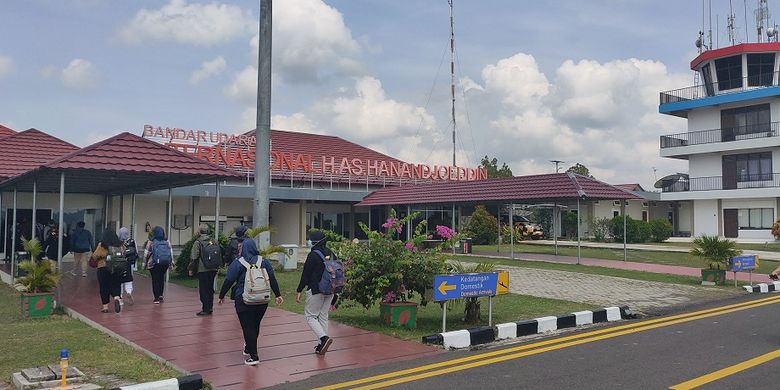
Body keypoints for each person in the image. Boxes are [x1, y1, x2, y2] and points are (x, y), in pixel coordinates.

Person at [218, 239, 283, 366]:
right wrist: (278, 294)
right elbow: (272, 278)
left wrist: (221, 295)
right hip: (262, 299)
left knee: (247, 327)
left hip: (243, 299)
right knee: (255, 324)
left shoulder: (238, 262)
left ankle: (254, 356)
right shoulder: (263, 261)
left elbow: (229, 280)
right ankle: (249, 347)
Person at [296, 230, 338, 356]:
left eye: (310, 239)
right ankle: (321, 344)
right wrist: (336, 295)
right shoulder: (331, 253)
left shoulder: (313, 255)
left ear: (315, 241)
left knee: (311, 316)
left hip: (316, 290)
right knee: (323, 315)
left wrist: (299, 290)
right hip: (330, 289)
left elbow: (306, 275)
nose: (308, 241)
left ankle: (324, 338)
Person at [189, 224, 219, 316]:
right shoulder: (213, 241)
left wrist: (191, 269)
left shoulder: (198, 242)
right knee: (210, 288)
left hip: (203, 269)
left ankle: (205, 309)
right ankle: (210, 307)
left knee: (204, 289)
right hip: (213, 268)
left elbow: (194, 257)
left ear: (200, 232)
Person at [93, 233, 122, 313]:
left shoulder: (102, 245)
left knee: (104, 287)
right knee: (116, 284)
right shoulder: (119, 245)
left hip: (103, 268)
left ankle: (105, 307)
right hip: (116, 268)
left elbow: (95, 256)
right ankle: (116, 297)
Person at [144, 226, 173, 304]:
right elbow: (170, 252)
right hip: (164, 263)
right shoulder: (167, 241)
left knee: (155, 279)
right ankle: (160, 295)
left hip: (153, 263)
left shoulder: (151, 242)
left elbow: (146, 254)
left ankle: (156, 298)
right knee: (161, 278)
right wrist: (171, 263)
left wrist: (144, 264)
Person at [118, 227, 138, 305]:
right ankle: (129, 292)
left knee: (119, 281)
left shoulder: (117, 242)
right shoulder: (132, 241)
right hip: (129, 264)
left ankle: (120, 297)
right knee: (129, 279)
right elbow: (136, 253)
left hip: (119, 263)